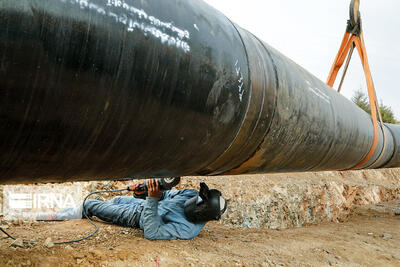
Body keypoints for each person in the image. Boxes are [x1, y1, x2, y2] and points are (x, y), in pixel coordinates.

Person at [37, 179, 227, 240]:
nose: (197, 197)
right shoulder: (190, 194)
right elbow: (165, 195)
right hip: (142, 204)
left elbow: (152, 232)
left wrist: (151, 201)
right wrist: (142, 192)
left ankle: (55, 215)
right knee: (118, 198)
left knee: (91, 204)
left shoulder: (188, 230)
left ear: (202, 212)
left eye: (200, 200)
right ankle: (93, 210)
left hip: (137, 216)